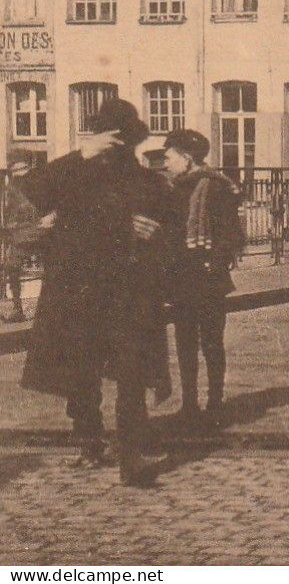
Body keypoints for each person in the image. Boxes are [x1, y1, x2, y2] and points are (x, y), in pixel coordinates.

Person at [18, 99, 171, 485]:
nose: (114, 152)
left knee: (132, 373)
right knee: (80, 372)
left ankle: (131, 455)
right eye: (108, 143)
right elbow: (33, 190)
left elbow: (170, 235)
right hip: (80, 292)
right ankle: (89, 441)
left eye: (122, 143)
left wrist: (156, 235)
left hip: (126, 293)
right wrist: (81, 154)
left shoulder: (150, 182)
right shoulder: (76, 177)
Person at [159, 129, 243, 429]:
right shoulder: (171, 188)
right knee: (184, 342)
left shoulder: (215, 188)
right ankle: (190, 403)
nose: (165, 163)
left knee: (211, 341)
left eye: (169, 157)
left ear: (186, 157)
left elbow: (230, 234)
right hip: (181, 278)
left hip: (206, 278)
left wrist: (213, 266)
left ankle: (215, 402)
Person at [2, 152, 52, 324]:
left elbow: (54, 205)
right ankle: (17, 309)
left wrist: (50, 217)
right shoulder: (11, 188)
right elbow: (9, 212)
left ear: (27, 167)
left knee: (53, 269)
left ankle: (49, 309)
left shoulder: (40, 183)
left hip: (42, 233)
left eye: (20, 169)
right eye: (13, 170)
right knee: (11, 267)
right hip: (22, 235)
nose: (16, 174)